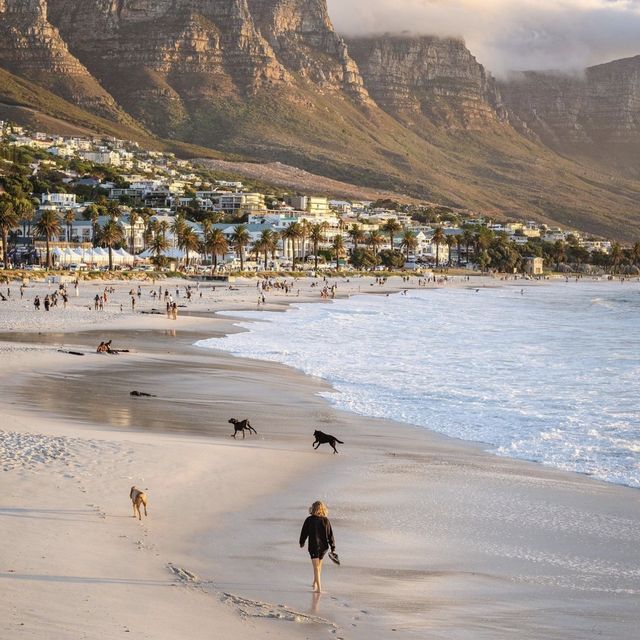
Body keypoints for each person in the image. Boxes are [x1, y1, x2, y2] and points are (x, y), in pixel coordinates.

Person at [299, 501, 335, 593]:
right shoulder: (325, 520)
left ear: (313, 508)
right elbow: (330, 535)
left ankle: (319, 589)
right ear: (323, 509)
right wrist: (332, 547)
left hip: (314, 546)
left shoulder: (309, 520)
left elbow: (304, 532)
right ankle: (315, 582)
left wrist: (301, 542)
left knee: (316, 567)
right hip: (324, 547)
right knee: (319, 566)